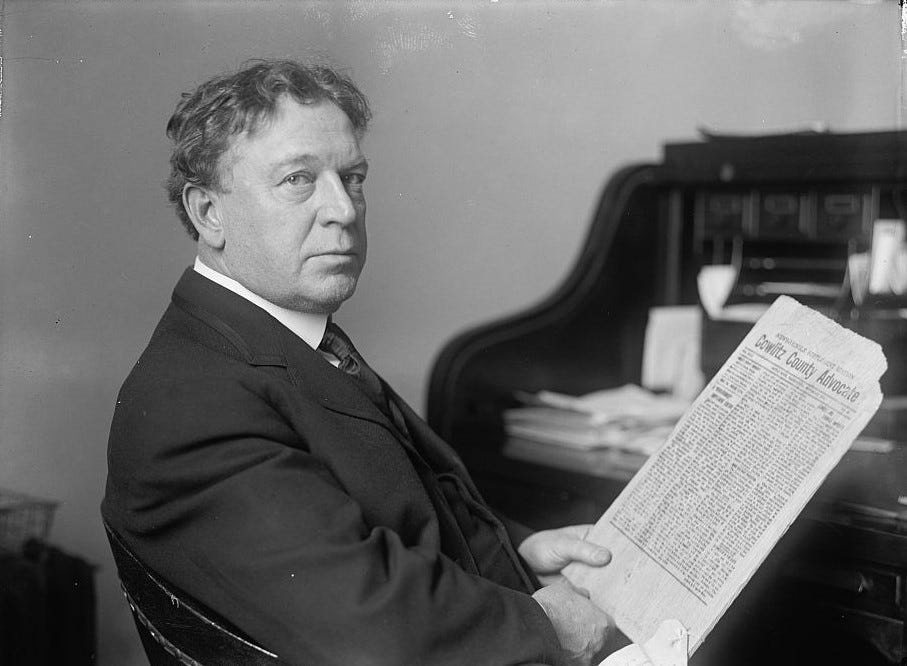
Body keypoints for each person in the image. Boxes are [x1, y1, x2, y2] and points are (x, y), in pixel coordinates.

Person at [102, 58, 614, 665]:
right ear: (209, 213)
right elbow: (366, 621)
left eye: (354, 177)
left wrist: (518, 553)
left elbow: (387, 526)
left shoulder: (282, 341)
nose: (343, 209)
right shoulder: (191, 402)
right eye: (298, 180)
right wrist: (544, 623)